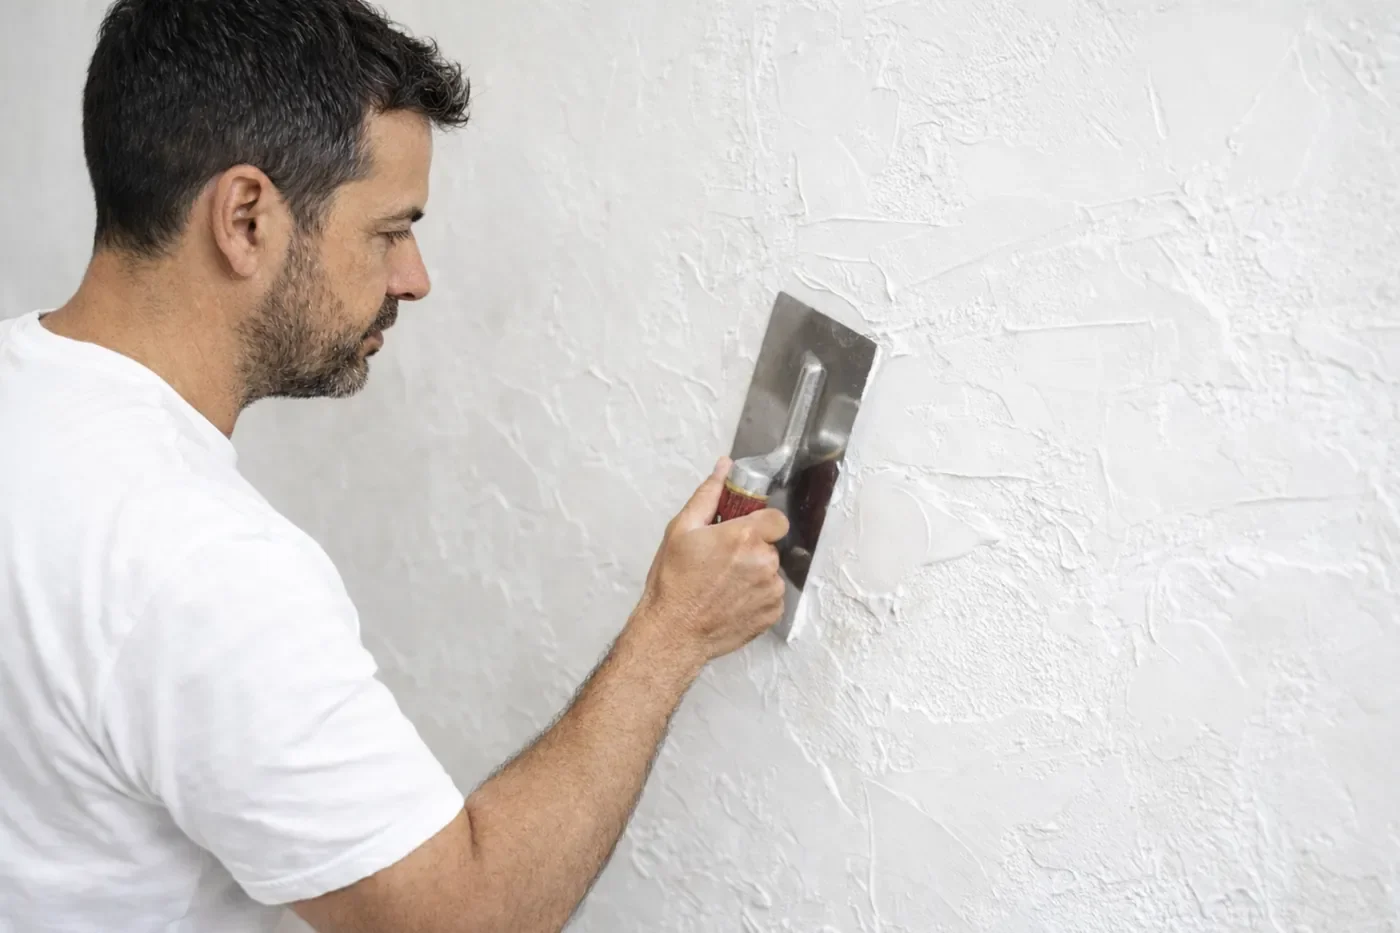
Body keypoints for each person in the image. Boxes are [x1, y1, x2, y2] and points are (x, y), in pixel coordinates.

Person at [0, 1, 789, 931]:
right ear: (246, 217)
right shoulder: (201, 566)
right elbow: (460, 917)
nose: (414, 276)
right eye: (389, 229)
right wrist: (674, 631)